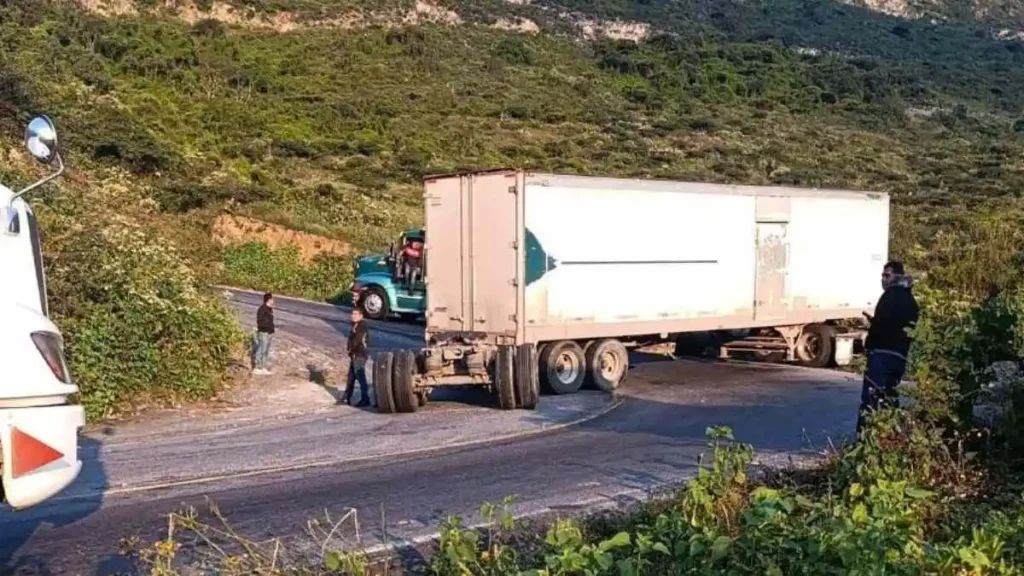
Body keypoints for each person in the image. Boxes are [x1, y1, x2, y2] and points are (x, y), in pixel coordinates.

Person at [857, 261, 920, 435]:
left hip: (881, 355)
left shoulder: (889, 296)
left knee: (871, 399)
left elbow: (881, 327)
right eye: (882, 276)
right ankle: (893, 437)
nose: (883, 280)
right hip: (899, 357)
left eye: (887, 275)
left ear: (897, 277)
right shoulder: (911, 300)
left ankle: (865, 439)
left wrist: (869, 342)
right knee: (890, 398)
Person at [343, 307, 372, 407]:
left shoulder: (362, 326)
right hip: (354, 355)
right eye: (352, 314)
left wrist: (351, 350)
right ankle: (346, 398)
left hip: (359, 354)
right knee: (350, 378)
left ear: (361, 316)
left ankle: (365, 399)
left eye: (356, 314)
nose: (353, 316)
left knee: (361, 378)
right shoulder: (354, 326)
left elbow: (358, 340)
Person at [254, 292, 275, 376]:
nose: (274, 300)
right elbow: (259, 322)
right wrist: (265, 328)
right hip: (263, 332)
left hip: (269, 333)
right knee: (261, 349)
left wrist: (272, 330)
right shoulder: (262, 309)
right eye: (272, 299)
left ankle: (264, 367)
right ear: (269, 300)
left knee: (266, 350)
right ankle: (257, 367)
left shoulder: (270, 309)